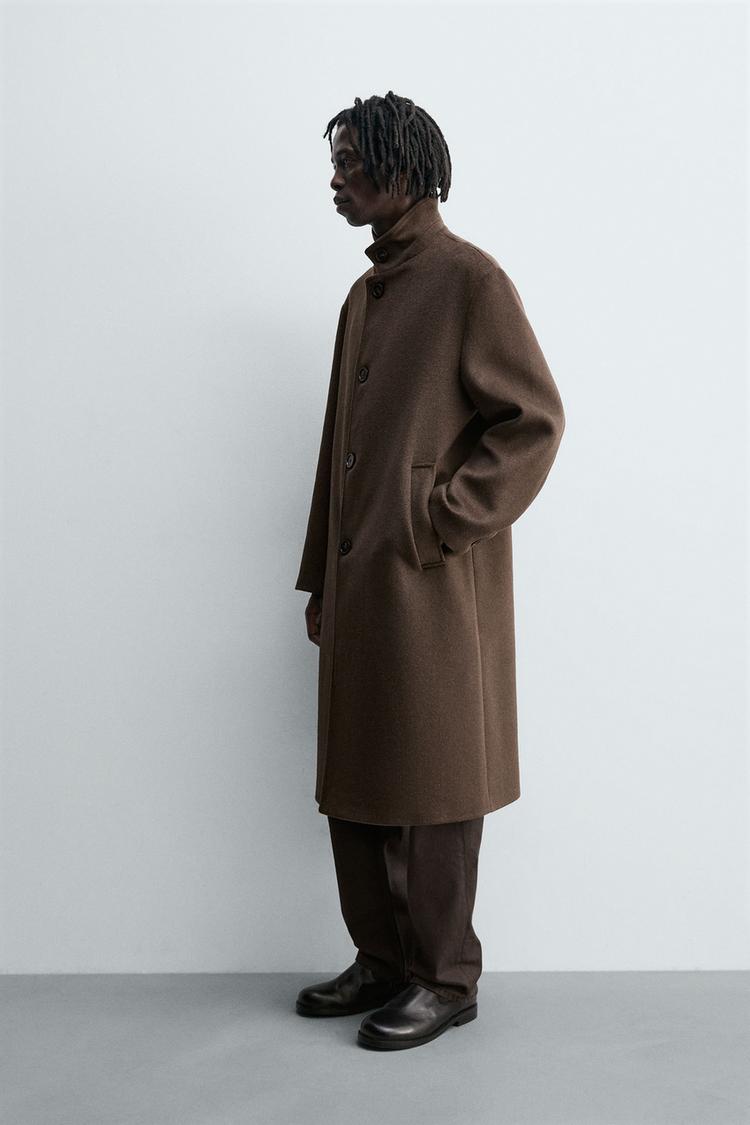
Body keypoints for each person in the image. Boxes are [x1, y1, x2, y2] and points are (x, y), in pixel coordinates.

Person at [293, 91, 565, 1051]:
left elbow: (533, 421)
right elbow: (337, 452)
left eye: (351, 162)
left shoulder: (468, 281)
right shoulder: (362, 296)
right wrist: (319, 576)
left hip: (434, 584)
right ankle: (380, 958)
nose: (335, 180)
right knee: (357, 775)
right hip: (360, 582)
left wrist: (439, 518)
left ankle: (445, 977)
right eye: (334, 164)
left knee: (436, 781)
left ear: (403, 168)